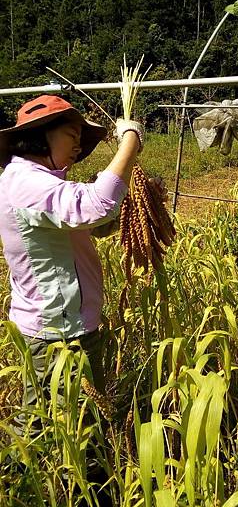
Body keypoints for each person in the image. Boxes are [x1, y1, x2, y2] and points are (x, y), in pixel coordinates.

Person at [0, 94, 144, 407]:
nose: (78, 145)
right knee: (57, 427)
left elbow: (91, 224)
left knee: (76, 421)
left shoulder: (38, 181)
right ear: (41, 136)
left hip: (70, 326)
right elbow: (98, 206)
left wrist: (136, 207)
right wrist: (131, 140)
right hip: (58, 334)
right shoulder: (26, 183)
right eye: (72, 135)